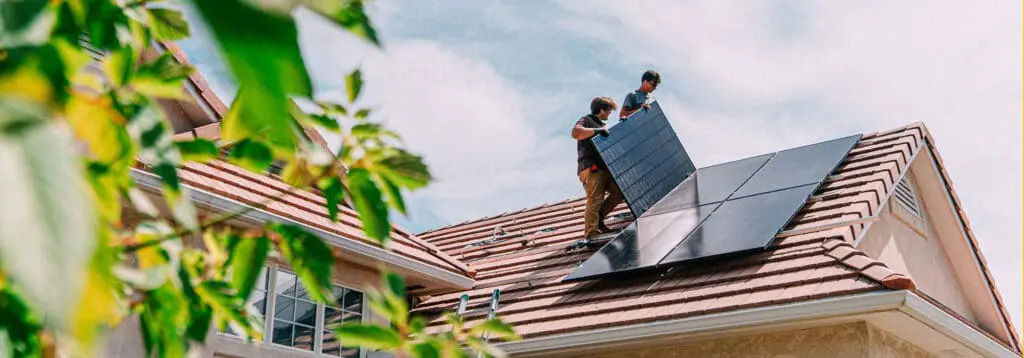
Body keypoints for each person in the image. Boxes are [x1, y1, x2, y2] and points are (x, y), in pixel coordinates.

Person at [571, 97, 624, 239]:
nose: (609, 114)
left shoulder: (601, 126)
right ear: (601, 109)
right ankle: (591, 232)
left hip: (604, 169)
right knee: (595, 198)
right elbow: (576, 133)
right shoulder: (587, 121)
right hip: (591, 168)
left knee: (620, 192)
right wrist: (597, 131)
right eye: (609, 111)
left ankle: (598, 221)